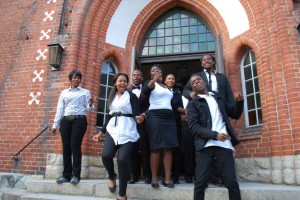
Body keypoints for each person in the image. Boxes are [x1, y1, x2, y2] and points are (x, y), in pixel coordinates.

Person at [186, 74, 243, 200]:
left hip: (224, 145)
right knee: (200, 184)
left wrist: (239, 103)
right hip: (205, 146)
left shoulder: (218, 97)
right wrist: (214, 135)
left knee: (231, 183)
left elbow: (234, 114)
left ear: (204, 82)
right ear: (193, 88)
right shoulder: (192, 104)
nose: (197, 82)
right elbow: (194, 127)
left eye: (198, 80)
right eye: (194, 82)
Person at [183, 54, 235, 185]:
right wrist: (192, 95)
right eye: (204, 60)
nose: (207, 61)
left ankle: (222, 178)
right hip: (204, 115)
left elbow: (228, 93)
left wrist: (232, 107)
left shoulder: (221, 77)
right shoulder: (198, 76)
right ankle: (211, 178)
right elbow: (185, 90)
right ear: (201, 63)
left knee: (222, 148)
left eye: (209, 59)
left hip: (219, 110)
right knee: (207, 146)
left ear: (213, 61)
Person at [93, 73, 144, 200]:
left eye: (125, 81)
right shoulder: (111, 97)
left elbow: (136, 113)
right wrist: (101, 132)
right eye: (120, 81)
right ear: (115, 82)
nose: (123, 83)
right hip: (113, 130)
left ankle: (122, 194)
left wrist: (139, 118)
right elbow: (110, 116)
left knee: (122, 160)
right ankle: (112, 176)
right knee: (106, 155)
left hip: (128, 130)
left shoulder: (131, 96)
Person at [50, 69, 95, 185]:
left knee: (75, 145)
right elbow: (60, 109)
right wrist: (55, 124)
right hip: (66, 120)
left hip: (79, 120)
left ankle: (76, 175)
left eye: (78, 78)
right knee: (66, 147)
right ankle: (66, 175)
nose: (76, 79)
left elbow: (89, 109)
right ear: (70, 79)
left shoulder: (85, 92)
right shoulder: (64, 93)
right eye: (74, 77)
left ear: (80, 80)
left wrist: (90, 104)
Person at [142, 64, 178, 189]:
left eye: (158, 70)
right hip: (155, 116)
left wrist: (185, 110)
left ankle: (167, 178)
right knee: (156, 147)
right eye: (153, 70)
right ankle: (154, 177)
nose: (157, 71)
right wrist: (153, 80)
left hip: (169, 118)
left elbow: (173, 104)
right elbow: (145, 91)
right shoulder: (151, 83)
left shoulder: (167, 87)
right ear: (151, 74)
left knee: (168, 148)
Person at [127, 69, 151, 184]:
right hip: (130, 123)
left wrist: (144, 115)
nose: (136, 77)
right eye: (134, 75)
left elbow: (152, 105)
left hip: (143, 123)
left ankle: (147, 175)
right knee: (132, 150)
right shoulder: (127, 90)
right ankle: (134, 176)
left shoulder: (147, 90)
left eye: (138, 75)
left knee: (145, 149)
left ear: (142, 78)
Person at [164, 73, 185, 184]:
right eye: (169, 78)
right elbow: (172, 105)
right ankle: (165, 176)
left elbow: (180, 105)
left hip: (176, 123)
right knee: (165, 149)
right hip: (164, 121)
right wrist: (180, 109)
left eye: (173, 79)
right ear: (165, 81)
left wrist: (183, 114)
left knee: (176, 150)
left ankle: (175, 177)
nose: (171, 80)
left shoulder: (178, 93)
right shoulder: (161, 91)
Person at [181, 95, 194, 183]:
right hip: (186, 124)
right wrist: (181, 117)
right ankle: (188, 175)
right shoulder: (181, 97)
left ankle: (199, 175)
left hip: (199, 125)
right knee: (188, 150)